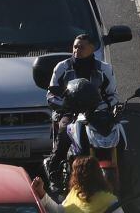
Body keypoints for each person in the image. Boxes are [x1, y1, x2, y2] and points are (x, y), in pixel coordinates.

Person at [46, 34, 119, 177]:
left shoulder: (104, 69)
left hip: (97, 113)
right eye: (75, 46)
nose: (76, 50)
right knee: (64, 132)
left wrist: (101, 106)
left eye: (81, 47)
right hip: (69, 113)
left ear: (92, 48)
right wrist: (67, 105)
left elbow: (113, 95)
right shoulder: (62, 67)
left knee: (115, 134)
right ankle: (54, 172)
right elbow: (51, 95)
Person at [32, 156, 124, 213]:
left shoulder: (109, 203)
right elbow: (59, 211)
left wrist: (42, 193)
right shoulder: (111, 201)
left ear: (76, 176)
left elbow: (57, 211)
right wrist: (42, 192)